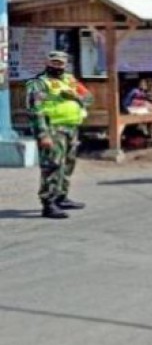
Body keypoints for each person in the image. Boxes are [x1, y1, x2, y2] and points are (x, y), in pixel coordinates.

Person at [26, 51, 93, 219]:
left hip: (71, 127)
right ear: (47, 62)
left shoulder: (70, 80)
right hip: (52, 128)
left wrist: (75, 96)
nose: (58, 66)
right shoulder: (39, 83)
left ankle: (61, 196)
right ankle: (48, 203)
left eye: (61, 63)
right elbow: (35, 110)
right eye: (54, 62)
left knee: (68, 163)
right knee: (52, 164)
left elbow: (89, 98)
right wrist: (43, 134)